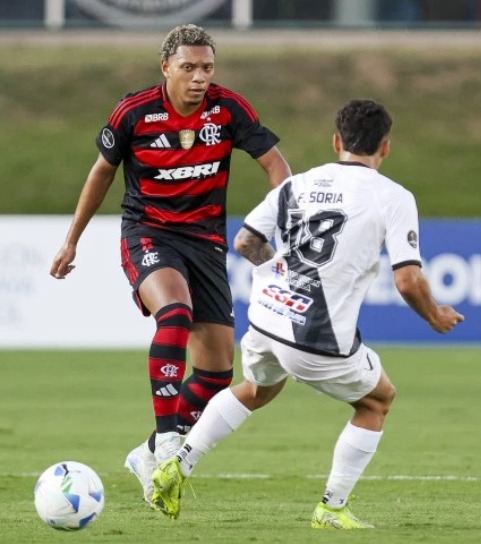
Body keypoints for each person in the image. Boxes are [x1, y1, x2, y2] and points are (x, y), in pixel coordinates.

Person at [149, 99, 464, 528]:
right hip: (315, 331)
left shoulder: (298, 184)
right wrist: (434, 317)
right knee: (377, 400)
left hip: (266, 316)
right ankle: (331, 508)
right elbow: (408, 280)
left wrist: (280, 274)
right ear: (385, 148)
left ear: (337, 141)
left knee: (258, 389)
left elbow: (244, 242)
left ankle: (175, 466)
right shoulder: (393, 196)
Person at [49, 24, 291, 507]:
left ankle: (147, 452)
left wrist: (281, 220)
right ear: (166, 68)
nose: (199, 76)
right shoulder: (134, 113)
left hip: (205, 243)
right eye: (189, 67)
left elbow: (276, 165)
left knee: (218, 373)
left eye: (206, 67)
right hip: (148, 234)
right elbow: (102, 171)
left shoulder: (228, 109)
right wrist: (71, 241)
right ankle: (167, 444)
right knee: (174, 313)